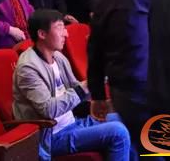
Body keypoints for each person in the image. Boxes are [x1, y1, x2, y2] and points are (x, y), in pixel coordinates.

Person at [13, 9, 130, 161]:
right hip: (52, 137)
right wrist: (85, 86)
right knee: (118, 132)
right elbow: (48, 109)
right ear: (42, 34)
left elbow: (76, 91)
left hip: (74, 122)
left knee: (128, 118)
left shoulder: (58, 57)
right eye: (60, 28)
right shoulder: (28, 68)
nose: (66, 34)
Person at [88, 0, 161, 154]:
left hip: (121, 87)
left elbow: (95, 44)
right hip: (149, 83)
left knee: (146, 151)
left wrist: (97, 93)